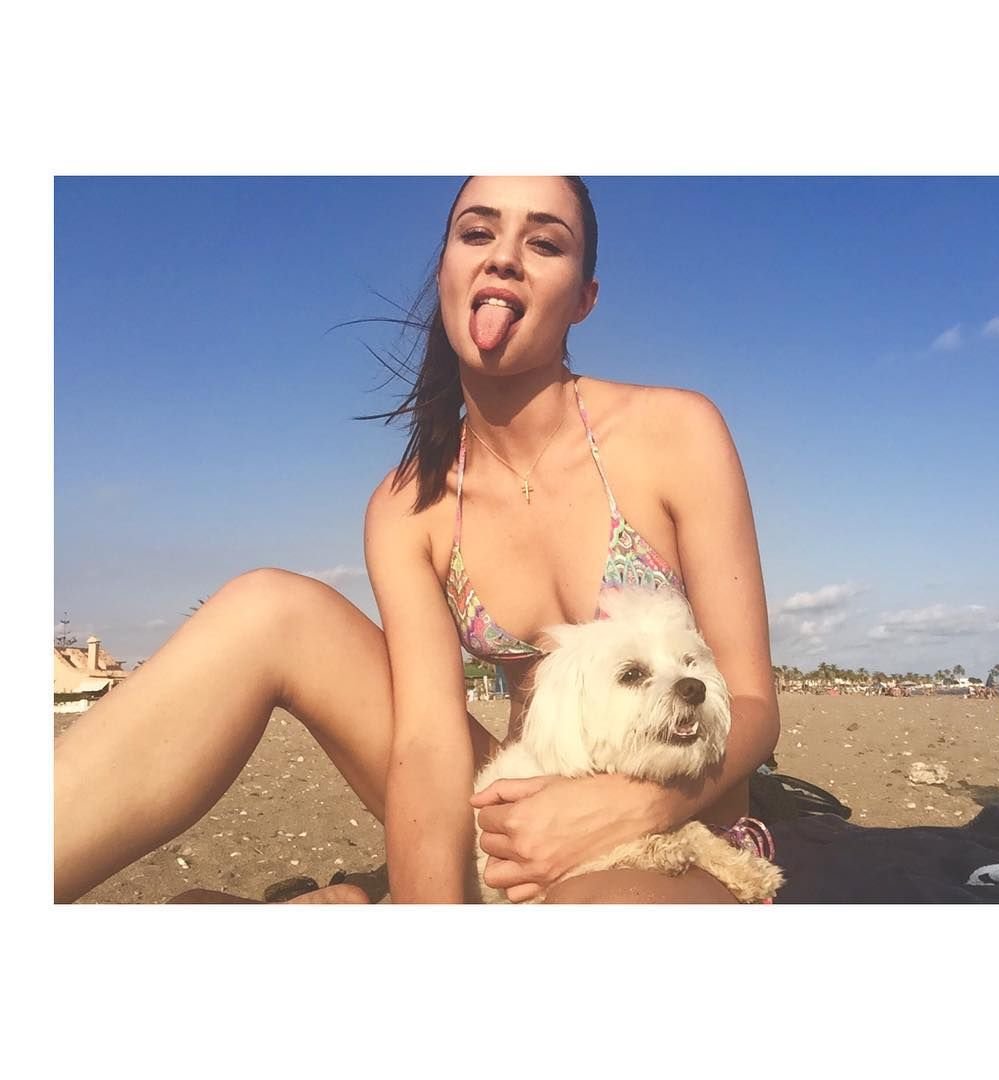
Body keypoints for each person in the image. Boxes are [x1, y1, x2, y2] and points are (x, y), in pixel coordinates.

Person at [53, 176, 779, 904]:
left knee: (599, 908)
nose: (504, 257)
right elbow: (430, 746)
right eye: (478, 233)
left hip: (687, 821)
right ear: (445, 273)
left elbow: (751, 700)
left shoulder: (674, 433)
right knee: (266, 610)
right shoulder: (412, 505)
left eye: (544, 243)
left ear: (584, 298)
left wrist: (622, 808)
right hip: (519, 800)